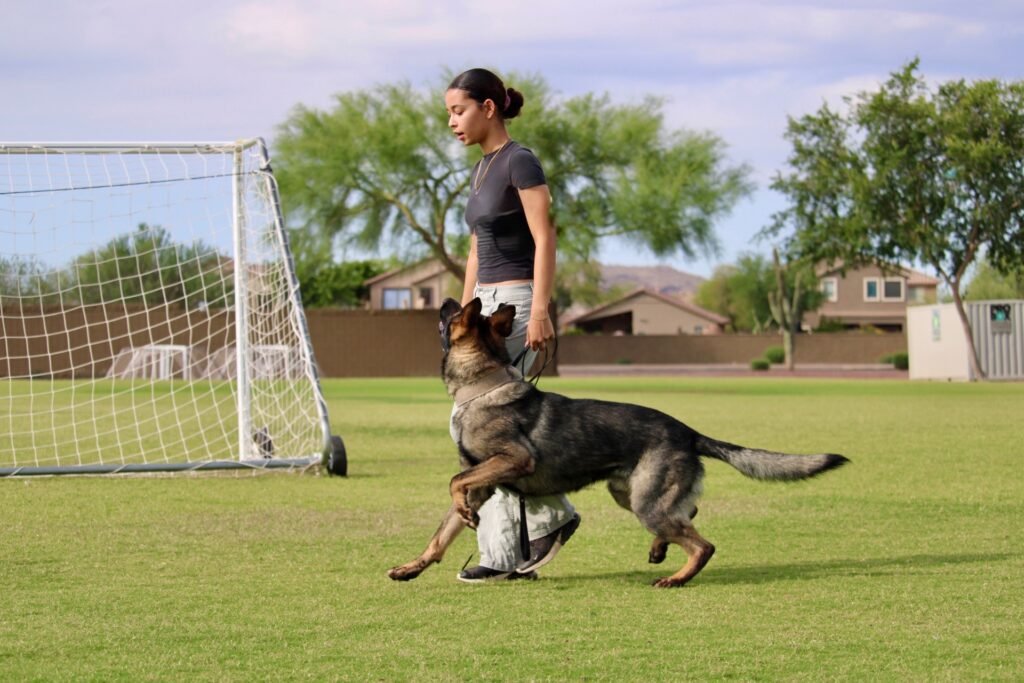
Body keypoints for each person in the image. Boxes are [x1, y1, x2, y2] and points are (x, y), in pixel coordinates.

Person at [445, 68, 581, 583]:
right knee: (484, 427)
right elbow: (477, 247)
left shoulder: (519, 161)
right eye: (449, 114)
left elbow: (545, 238)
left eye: (459, 111)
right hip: (485, 303)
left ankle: (506, 552)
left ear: (488, 107)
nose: (453, 122)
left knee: (489, 430)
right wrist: (464, 310)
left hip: (518, 302)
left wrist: (542, 309)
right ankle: (548, 521)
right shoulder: (482, 171)